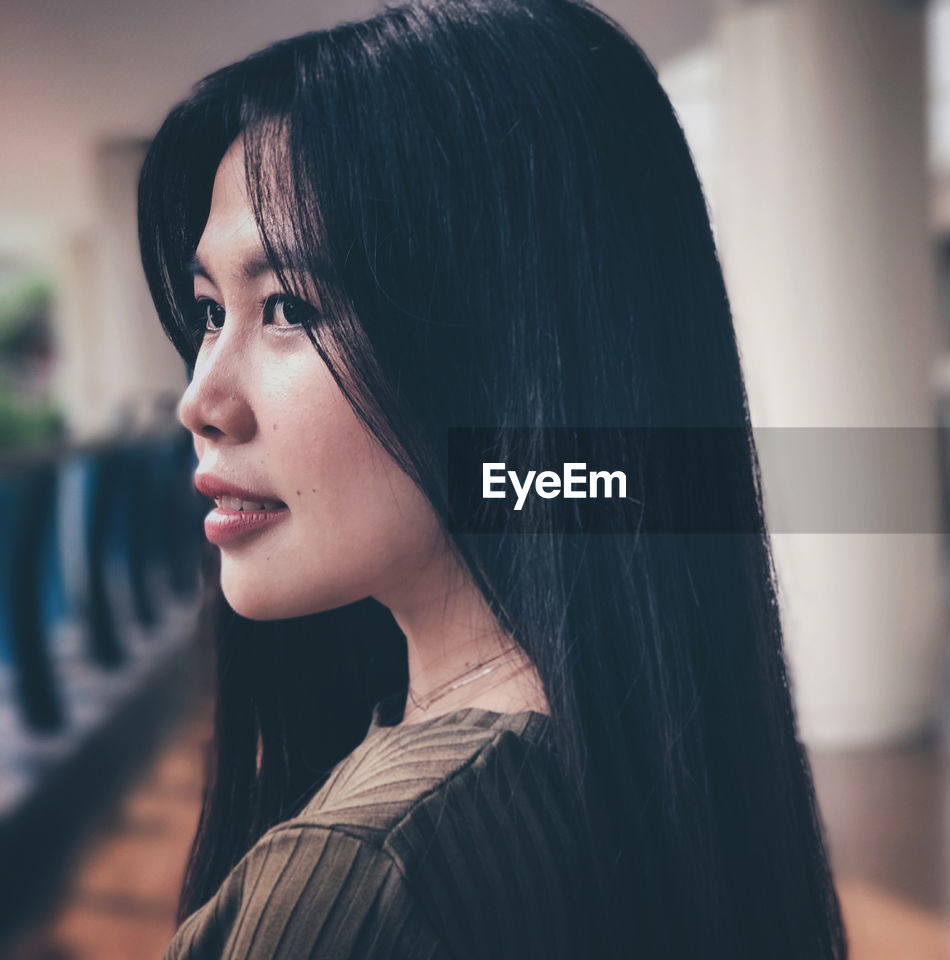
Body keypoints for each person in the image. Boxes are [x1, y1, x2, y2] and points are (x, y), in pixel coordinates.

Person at [138, 1, 848, 957]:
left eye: (290, 306)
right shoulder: (649, 763)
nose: (201, 398)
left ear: (507, 355)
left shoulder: (362, 876)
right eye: (209, 312)